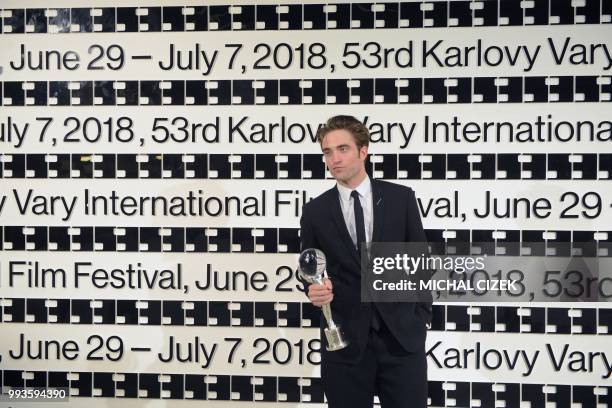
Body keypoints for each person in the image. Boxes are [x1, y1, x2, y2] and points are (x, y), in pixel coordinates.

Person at [299, 115, 432, 408]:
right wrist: (314, 288)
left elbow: (422, 263)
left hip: (401, 342)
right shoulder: (315, 212)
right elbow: (309, 268)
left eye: (342, 149)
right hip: (345, 346)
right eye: (327, 152)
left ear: (363, 151)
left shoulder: (401, 199)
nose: (334, 159)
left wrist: (419, 318)